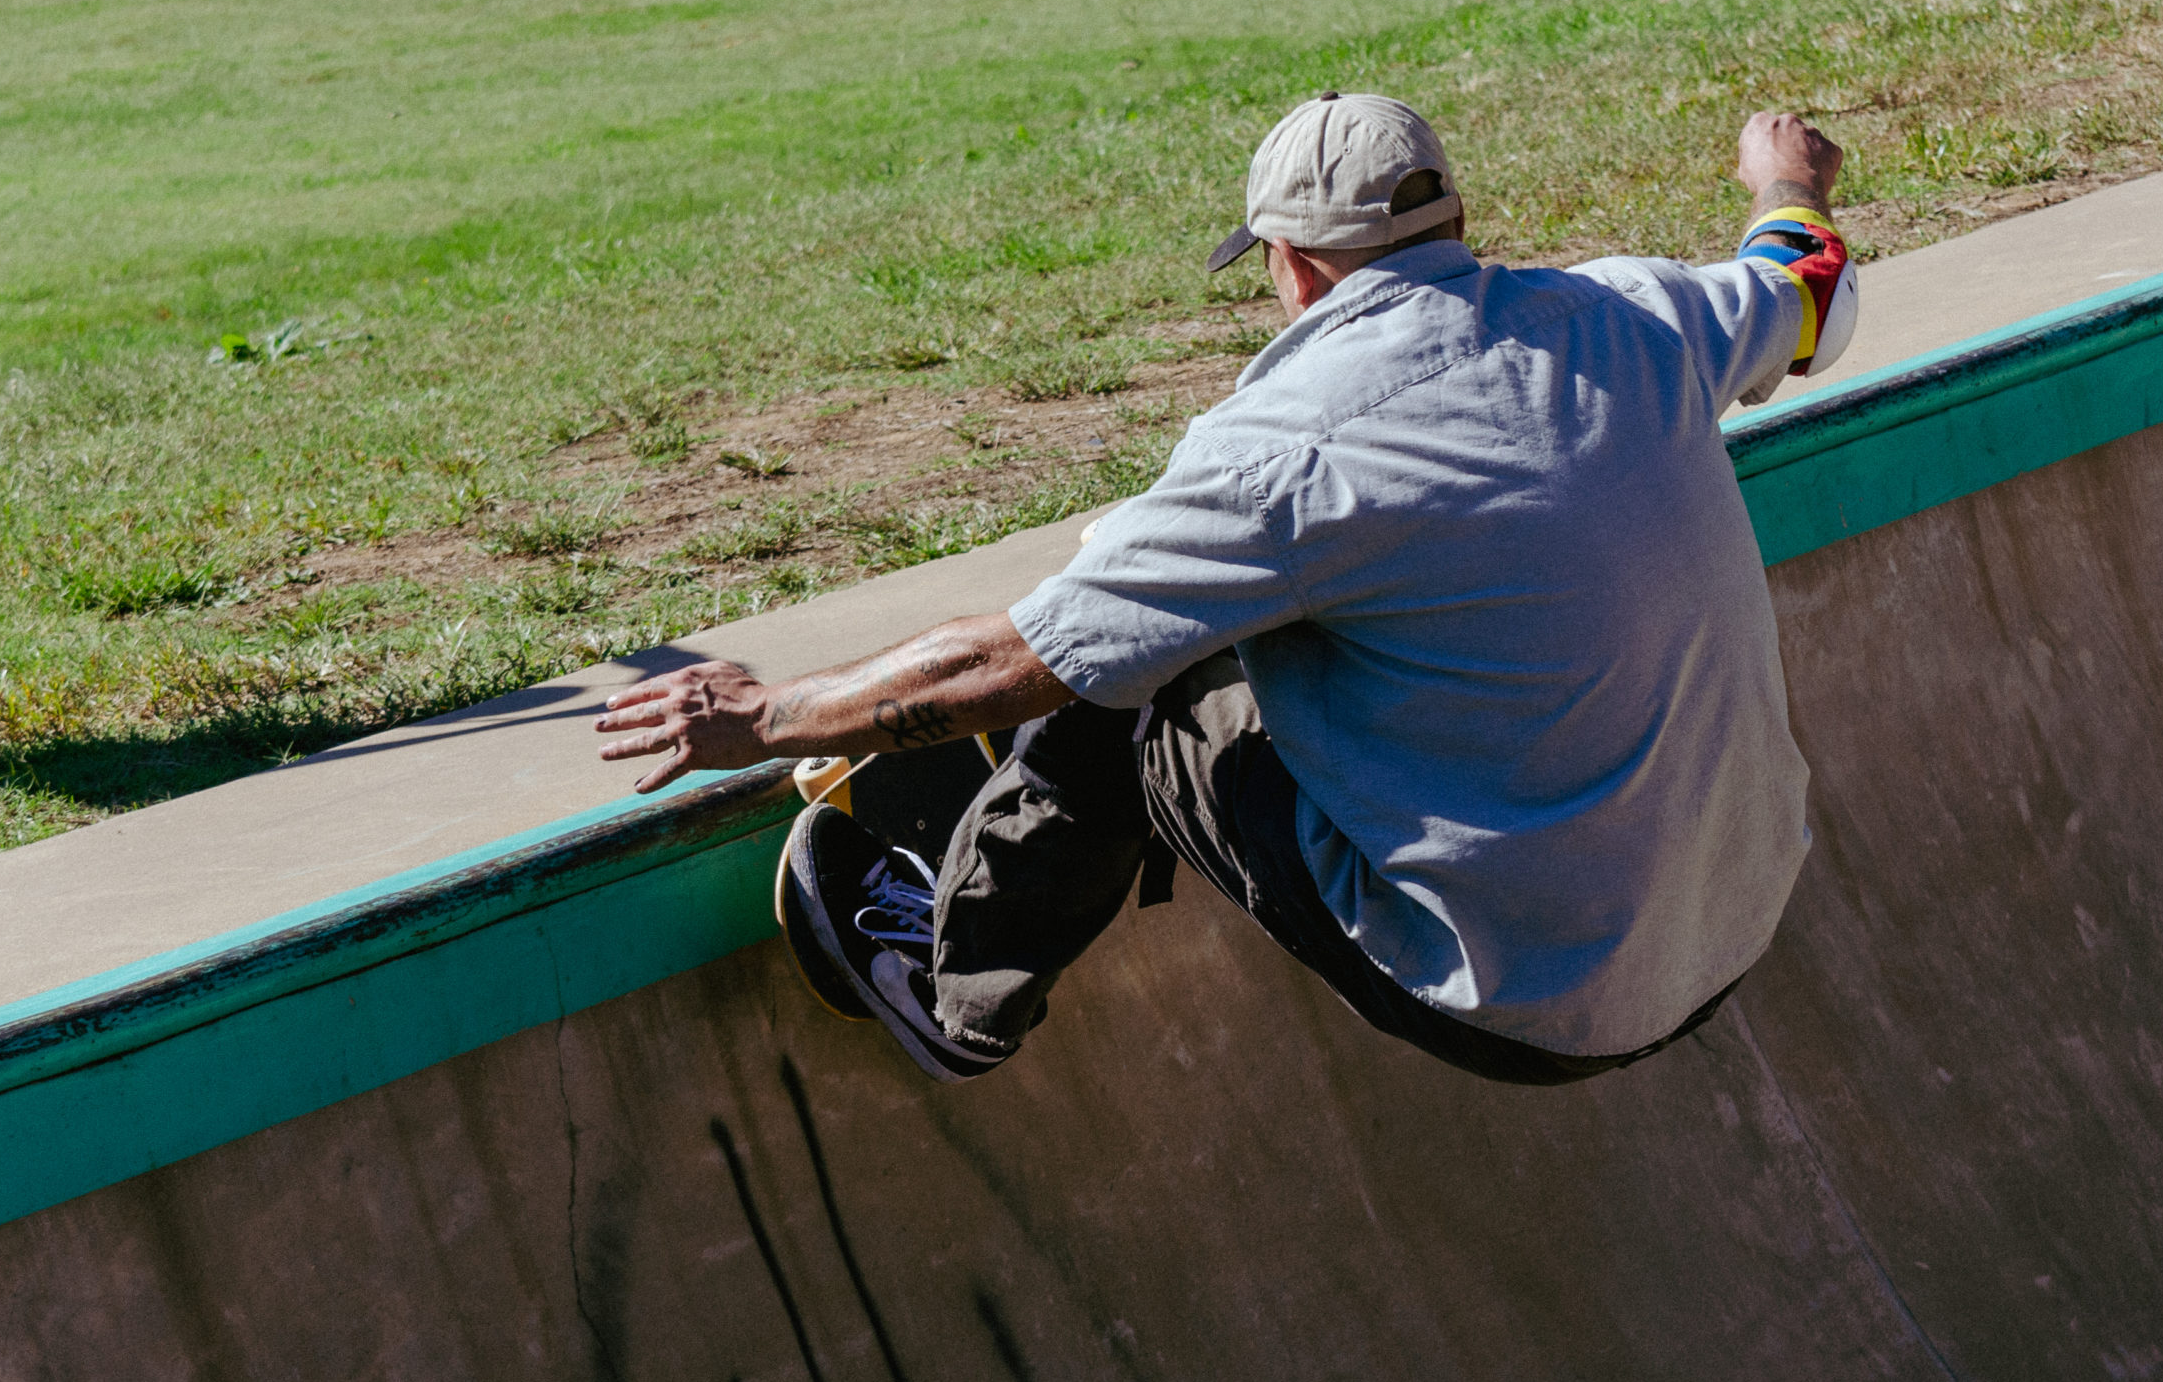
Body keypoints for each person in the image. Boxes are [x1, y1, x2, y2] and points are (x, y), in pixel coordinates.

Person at [596, 93, 1856, 1086]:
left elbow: (1012, 664)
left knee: (1145, 670)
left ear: (1292, 268)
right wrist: (1783, 180)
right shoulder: (1632, 312)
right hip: (1734, 920)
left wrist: (763, 716)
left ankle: (951, 985)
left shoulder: (1284, 453)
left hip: (1522, 998)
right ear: (1455, 224)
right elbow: (1810, 289)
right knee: (1235, 608)